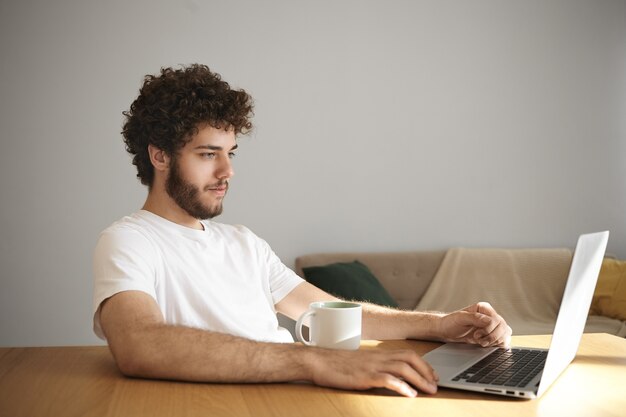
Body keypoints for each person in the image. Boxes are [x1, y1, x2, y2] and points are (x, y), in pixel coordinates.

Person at [93, 64, 512, 398]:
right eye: (208, 154)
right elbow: (139, 345)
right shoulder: (130, 240)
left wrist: (441, 325)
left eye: (230, 154)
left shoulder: (243, 242)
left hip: (296, 395)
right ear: (159, 155)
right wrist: (313, 362)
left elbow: (333, 313)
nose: (228, 172)